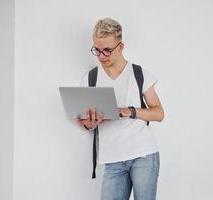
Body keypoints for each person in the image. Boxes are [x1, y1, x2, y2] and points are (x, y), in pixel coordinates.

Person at [77, 17, 164, 200]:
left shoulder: (140, 74)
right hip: (112, 160)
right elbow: (88, 124)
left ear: (121, 47)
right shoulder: (90, 79)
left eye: (107, 50)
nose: (102, 56)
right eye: (97, 50)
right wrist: (89, 123)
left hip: (144, 155)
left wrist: (129, 111)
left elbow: (158, 113)